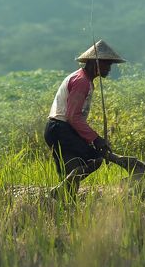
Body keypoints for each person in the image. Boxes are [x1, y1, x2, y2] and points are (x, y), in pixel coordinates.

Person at [45, 39, 127, 197]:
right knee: (94, 158)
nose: (109, 68)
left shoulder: (82, 79)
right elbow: (72, 116)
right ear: (95, 63)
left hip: (58, 129)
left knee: (73, 168)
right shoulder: (82, 81)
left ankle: (64, 203)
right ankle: (60, 191)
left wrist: (91, 138)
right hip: (60, 129)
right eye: (106, 64)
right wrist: (96, 139)